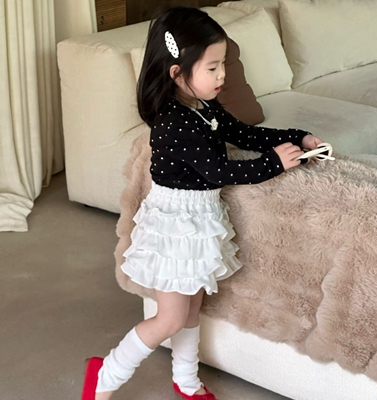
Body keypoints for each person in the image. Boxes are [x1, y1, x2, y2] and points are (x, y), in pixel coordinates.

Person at [81, 6, 323, 400]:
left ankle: (187, 381)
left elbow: (244, 134)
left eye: (223, 64)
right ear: (177, 73)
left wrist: (299, 137)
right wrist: (273, 164)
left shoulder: (203, 107)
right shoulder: (173, 123)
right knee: (170, 319)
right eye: (212, 68)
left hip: (198, 218)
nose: (222, 75)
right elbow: (218, 171)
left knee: (191, 311)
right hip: (175, 225)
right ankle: (104, 374)